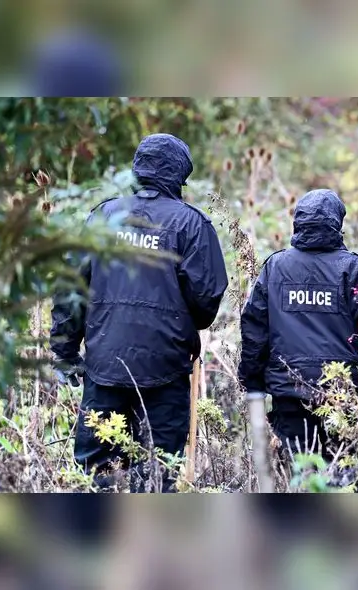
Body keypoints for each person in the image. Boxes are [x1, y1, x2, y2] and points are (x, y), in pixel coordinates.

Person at [51, 133, 228, 492]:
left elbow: (71, 290)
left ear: (138, 169)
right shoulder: (192, 225)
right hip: (167, 368)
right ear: (179, 175)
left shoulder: (104, 216)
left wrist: (65, 353)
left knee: (95, 473)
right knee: (161, 472)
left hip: (104, 366)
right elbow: (207, 300)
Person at [238, 189, 358, 474]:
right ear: (338, 223)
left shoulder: (275, 267)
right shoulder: (355, 269)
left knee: (300, 476)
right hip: (343, 393)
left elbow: (254, 331)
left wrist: (253, 382)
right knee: (344, 476)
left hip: (289, 392)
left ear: (298, 222)